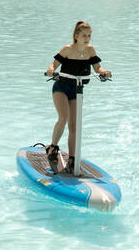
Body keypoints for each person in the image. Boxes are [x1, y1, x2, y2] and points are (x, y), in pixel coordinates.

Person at [43, 20, 111, 176]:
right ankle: (52, 147)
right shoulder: (67, 49)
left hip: (77, 89)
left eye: (89, 35)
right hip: (61, 87)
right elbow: (53, 65)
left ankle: (72, 159)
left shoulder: (90, 51)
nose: (87, 38)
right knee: (64, 117)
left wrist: (104, 72)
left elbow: (97, 67)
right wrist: (50, 70)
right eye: (84, 35)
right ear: (76, 36)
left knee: (74, 126)